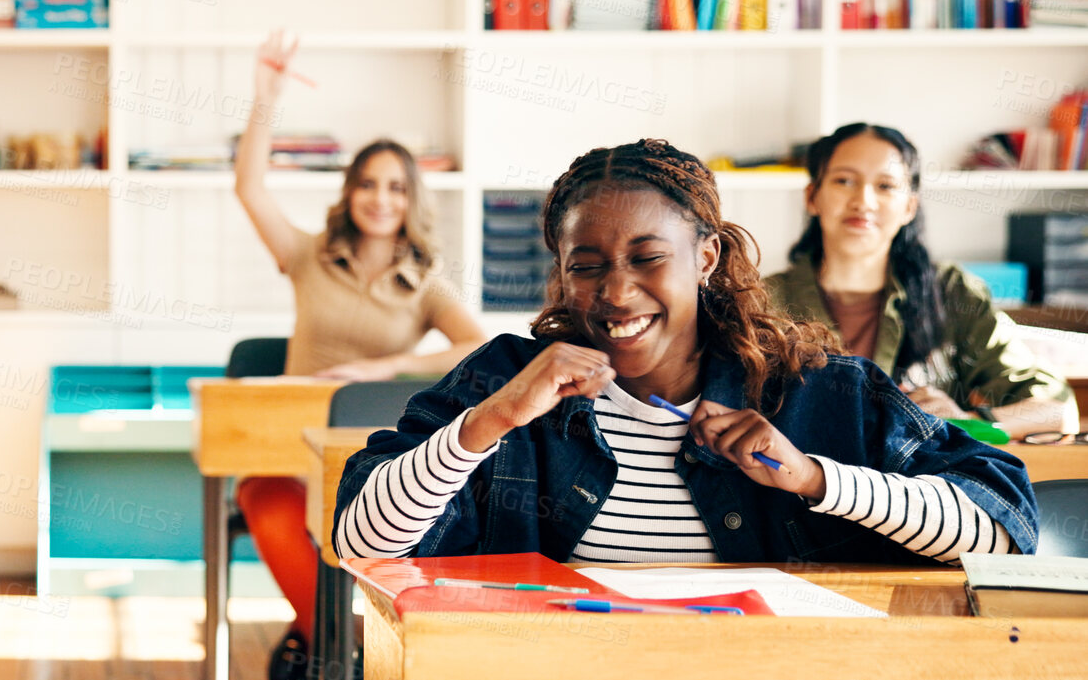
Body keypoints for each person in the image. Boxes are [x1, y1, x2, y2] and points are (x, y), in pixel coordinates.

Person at [335, 138, 1036, 572]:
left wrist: (815, 479)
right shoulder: (505, 379)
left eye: (647, 258)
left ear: (704, 257)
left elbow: (1004, 528)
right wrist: (487, 422)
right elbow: (361, 539)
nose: (615, 291)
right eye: (585, 265)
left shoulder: (818, 390)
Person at [232, 30, 489, 680]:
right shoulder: (308, 254)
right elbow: (249, 187)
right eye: (369, 184)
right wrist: (266, 98)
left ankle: (314, 643)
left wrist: (388, 365)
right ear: (349, 191)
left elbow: (478, 349)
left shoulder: (424, 279)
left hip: (373, 456)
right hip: (289, 446)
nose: (381, 197)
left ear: (411, 199)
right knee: (260, 493)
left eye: (397, 187)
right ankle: (340, 649)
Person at [767, 122, 1074, 439]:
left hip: (921, 487)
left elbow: (1057, 409)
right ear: (813, 196)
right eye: (844, 181)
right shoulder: (761, 301)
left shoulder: (952, 293)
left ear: (910, 206)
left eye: (885, 186)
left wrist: (967, 423)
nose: (864, 201)